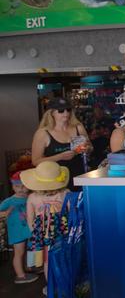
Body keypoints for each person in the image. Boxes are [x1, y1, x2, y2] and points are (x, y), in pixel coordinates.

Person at [21, 161, 70, 294]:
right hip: (61, 232)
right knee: (62, 258)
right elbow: (70, 214)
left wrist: (36, 234)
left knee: (47, 262)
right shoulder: (65, 193)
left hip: (42, 235)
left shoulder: (32, 197)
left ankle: (51, 287)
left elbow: (30, 220)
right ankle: (64, 285)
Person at [31, 97, 92, 191]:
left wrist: (87, 149)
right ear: (51, 113)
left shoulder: (78, 127)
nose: (66, 113)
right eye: (61, 111)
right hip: (57, 182)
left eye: (68, 110)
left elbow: (90, 147)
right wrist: (59, 157)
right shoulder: (43, 133)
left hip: (80, 177)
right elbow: (35, 161)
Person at [0, 172, 39, 284]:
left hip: (28, 229)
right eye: (17, 186)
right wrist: (5, 213)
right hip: (17, 231)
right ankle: (20, 276)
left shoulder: (30, 197)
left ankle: (29, 268)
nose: (20, 189)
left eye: (23, 186)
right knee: (19, 253)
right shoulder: (9, 201)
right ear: (13, 186)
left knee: (29, 250)